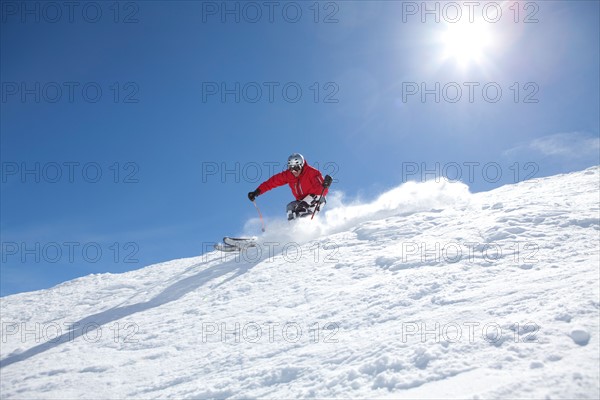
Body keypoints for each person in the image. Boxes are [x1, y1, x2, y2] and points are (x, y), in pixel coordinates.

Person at [248, 153, 332, 220]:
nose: (294, 171)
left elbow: (322, 191)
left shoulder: (312, 172)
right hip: (301, 201)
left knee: (301, 208)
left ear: (302, 165)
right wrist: (257, 191)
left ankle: (308, 226)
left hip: (317, 199)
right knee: (290, 208)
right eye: (291, 168)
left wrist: (326, 185)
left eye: (296, 168)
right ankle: (293, 232)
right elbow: (272, 182)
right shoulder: (288, 175)